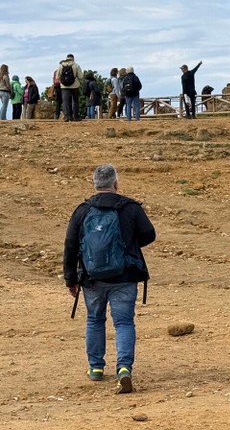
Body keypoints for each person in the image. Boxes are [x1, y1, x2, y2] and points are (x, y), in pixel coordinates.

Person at [63, 164, 155, 394]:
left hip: (92, 279)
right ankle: (123, 368)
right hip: (125, 276)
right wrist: (128, 245)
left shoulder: (82, 211)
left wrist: (70, 279)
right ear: (116, 184)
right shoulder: (130, 208)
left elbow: (71, 246)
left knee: (95, 320)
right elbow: (149, 234)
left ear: (95, 185)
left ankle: (95, 368)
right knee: (123, 322)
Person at [59, 54, 83, 122]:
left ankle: (67, 116)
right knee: (75, 101)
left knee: (65, 101)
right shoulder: (76, 65)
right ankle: (75, 116)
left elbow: (58, 76)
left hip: (64, 86)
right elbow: (81, 76)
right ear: (73, 58)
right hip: (75, 85)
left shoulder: (61, 65)